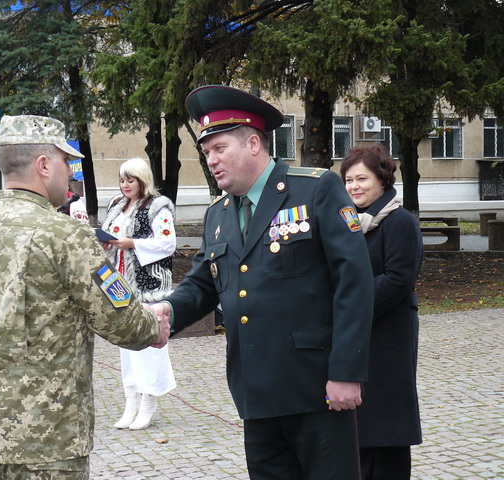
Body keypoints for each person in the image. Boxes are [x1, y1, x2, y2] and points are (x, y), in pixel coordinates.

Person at [150, 85, 375, 480]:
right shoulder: (218, 213)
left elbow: (353, 283)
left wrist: (346, 372)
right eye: (206, 153)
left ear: (253, 143)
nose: (212, 160)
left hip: (317, 390)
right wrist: (169, 309)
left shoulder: (314, 188)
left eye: (219, 148)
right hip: (255, 391)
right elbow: (204, 282)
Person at [0, 114, 169, 480]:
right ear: (43, 165)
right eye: (67, 162)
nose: (72, 173)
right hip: (52, 440)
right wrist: (153, 327)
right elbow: (123, 320)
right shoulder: (65, 235)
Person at [340, 145, 423, 480]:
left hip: (388, 337)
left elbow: (398, 280)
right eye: (348, 180)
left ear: (383, 180)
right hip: (355, 336)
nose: (354, 186)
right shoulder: (349, 223)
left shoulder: (400, 222)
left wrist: (346, 306)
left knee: (386, 428)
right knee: (358, 428)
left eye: (362, 178)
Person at [101, 157, 177, 430]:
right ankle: (130, 400)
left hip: (148, 285)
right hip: (118, 285)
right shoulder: (116, 206)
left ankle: (148, 401)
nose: (125, 185)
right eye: (122, 180)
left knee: (149, 344)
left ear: (142, 180)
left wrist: (131, 243)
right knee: (126, 345)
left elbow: (167, 243)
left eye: (130, 180)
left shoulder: (158, 207)